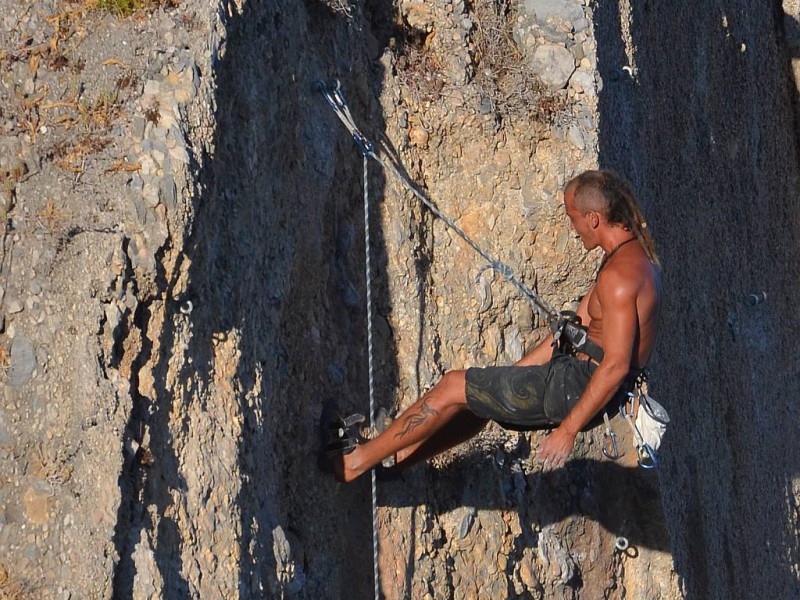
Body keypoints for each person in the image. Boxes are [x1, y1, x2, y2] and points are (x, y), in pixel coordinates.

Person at [326, 169, 661, 482]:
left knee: (453, 386)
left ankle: (356, 461)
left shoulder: (618, 278)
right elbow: (577, 333)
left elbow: (615, 365)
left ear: (593, 218)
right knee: (479, 400)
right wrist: (512, 374)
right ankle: (396, 464)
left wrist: (567, 431)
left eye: (572, 217)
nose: (573, 229)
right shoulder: (635, 260)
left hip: (575, 389)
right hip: (577, 382)